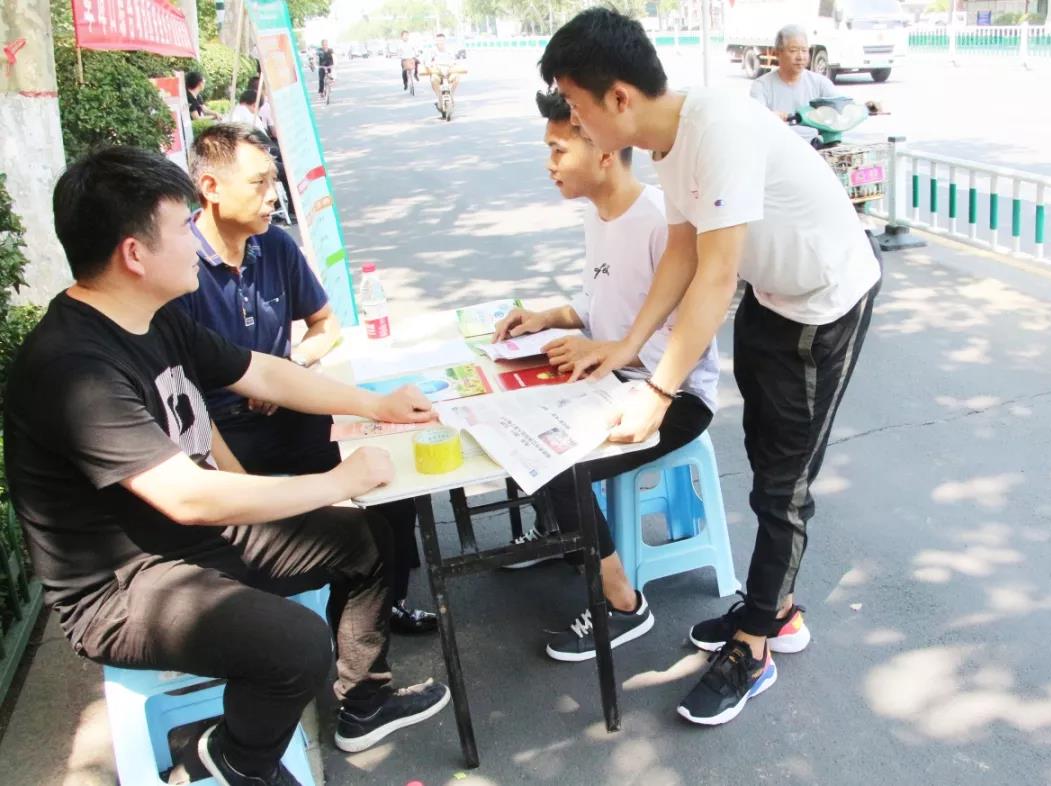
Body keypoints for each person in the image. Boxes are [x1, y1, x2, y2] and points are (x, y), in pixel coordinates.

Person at [3, 146, 450, 786]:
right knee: (296, 646)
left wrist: (375, 404)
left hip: (191, 540)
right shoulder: (73, 367)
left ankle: (364, 703)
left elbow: (259, 371)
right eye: (181, 227)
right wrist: (338, 481)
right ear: (134, 254)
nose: (196, 239)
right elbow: (188, 496)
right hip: (125, 587)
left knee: (368, 539)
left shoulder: (153, 317)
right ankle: (234, 758)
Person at [540, 8, 882, 726]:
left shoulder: (717, 128)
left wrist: (659, 389)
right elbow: (683, 251)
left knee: (784, 485)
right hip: (772, 295)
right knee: (766, 462)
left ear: (619, 98)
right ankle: (772, 604)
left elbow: (715, 275)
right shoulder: (669, 142)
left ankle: (757, 644)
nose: (574, 122)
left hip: (825, 304)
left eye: (575, 106)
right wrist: (626, 348)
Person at [174, 124, 437, 635]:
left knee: (390, 466)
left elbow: (324, 325)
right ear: (210, 187)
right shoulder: (181, 269)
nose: (274, 196)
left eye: (273, 180)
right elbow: (188, 403)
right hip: (221, 431)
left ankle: (387, 601)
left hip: (290, 408)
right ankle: (303, 618)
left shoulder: (275, 246)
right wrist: (244, 493)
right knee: (300, 525)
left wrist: (291, 368)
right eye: (258, 182)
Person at [493, 90, 722, 663]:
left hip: (673, 395)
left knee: (560, 462)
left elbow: (688, 332)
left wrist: (612, 356)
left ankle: (623, 603)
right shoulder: (600, 217)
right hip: (617, 379)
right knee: (516, 421)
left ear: (600, 150)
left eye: (558, 149)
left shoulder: (658, 221)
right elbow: (601, 306)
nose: (549, 164)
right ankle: (563, 536)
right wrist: (548, 317)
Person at [750, 25, 882, 143]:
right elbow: (756, 116)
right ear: (777, 53)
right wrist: (772, 116)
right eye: (793, 50)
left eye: (804, 50)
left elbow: (839, 107)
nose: (800, 57)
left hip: (815, 148)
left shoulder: (820, 82)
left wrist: (866, 108)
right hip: (779, 149)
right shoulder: (761, 85)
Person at [424, 33, 463, 105]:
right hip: (437, 73)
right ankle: (439, 97)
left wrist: (452, 65)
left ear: (445, 41)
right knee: (433, 80)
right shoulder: (432, 51)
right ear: (435, 41)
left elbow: (455, 61)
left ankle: (451, 95)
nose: (440, 42)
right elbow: (427, 63)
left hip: (449, 72)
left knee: (457, 77)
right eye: (438, 41)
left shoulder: (450, 50)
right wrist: (430, 67)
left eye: (442, 40)